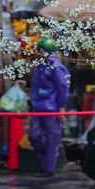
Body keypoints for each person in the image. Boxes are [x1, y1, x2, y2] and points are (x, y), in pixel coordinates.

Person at [28, 37, 70, 177]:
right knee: (34, 136)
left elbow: (63, 87)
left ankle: (48, 169)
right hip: (38, 106)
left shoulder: (57, 67)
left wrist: (62, 107)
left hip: (52, 107)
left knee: (53, 138)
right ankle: (49, 158)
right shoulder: (40, 66)